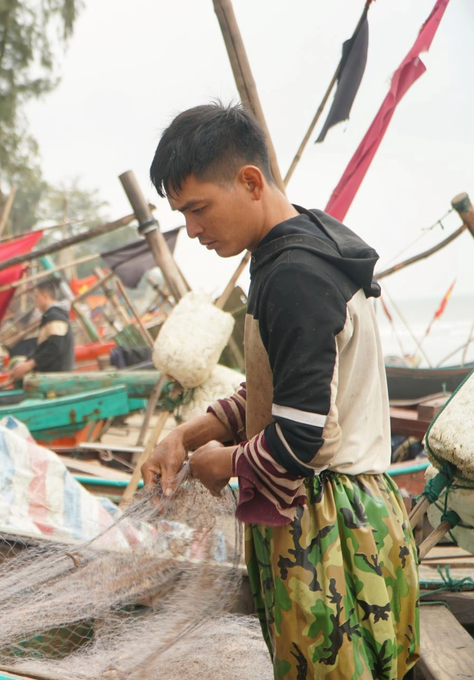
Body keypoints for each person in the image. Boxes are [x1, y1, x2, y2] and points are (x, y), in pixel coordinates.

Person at [141, 102, 419, 679]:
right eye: (182, 214)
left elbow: (302, 433)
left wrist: (228, 465)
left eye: (198, 209)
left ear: (249, 181)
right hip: (351, 507)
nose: (191, 230)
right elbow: (279, 389)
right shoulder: (307, 244)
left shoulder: (294, 274)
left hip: (327, 527)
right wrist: (189, 434)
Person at [9, 279, 74, 381]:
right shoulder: (51, 316)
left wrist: (31, 364)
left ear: (45, 296)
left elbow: (55, 348)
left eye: (36, 297)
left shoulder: (55, 317)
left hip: (56, 378)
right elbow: (44, 348)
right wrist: (26, 363)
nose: (35, 301)